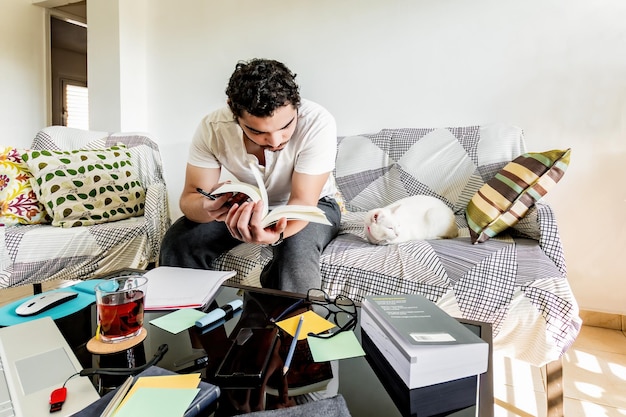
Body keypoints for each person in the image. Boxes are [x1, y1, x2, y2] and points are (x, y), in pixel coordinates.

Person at [159, 58, 341, 294]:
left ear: (297, 106)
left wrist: (274, 236)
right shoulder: (213, 127)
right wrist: (209, 206)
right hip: (249, 204)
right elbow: (190, 198)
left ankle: (297, 329)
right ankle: (194, 323)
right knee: (180, 240)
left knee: (294, 250)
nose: (276, 141)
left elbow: (302, 203)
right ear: (234, 112)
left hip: (313, 206)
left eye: (286, 126)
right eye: (257, 131)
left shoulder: (318, 122)